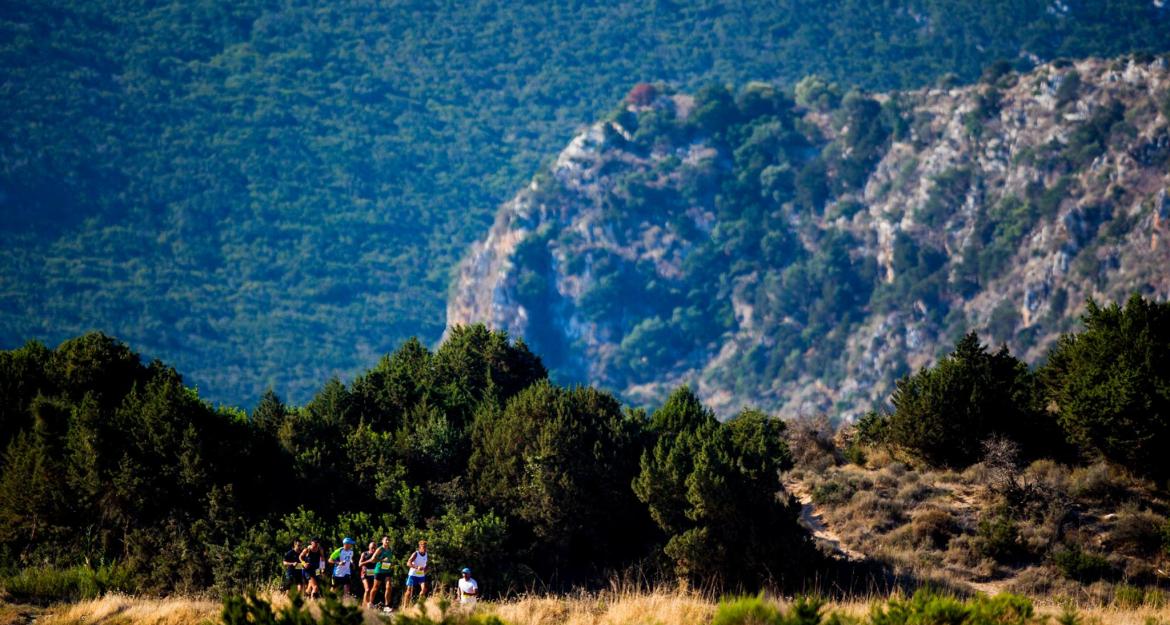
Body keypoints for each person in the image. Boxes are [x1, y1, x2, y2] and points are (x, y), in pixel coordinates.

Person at [401, 540, 429, 608]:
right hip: (413, 574)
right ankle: (405, 606)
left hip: (421, 575)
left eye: (426, 547)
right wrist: (417, 567)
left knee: (424, 589)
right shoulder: (416, 554)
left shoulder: (426, 554)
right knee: (409, 591)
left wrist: (426, 569)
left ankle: (418, 605)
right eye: (423, 547)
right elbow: (408, 563)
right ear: (420, 547)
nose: (425, 549)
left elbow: (426, 565)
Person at [371, 535, 395, 611]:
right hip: (379, 571)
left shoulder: (390, 549)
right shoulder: (380, 549)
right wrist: (382, 560)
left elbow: (389, 560)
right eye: (386, 540)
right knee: (376, 587)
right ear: (382, 541)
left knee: (389, 587)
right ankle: (370, 603)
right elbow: (372, 559)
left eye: (389, 540)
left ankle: (386, 606)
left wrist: (391, 564)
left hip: (387, 571)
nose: (388, 541)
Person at [359, 541, 378, 608]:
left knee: (372, 590)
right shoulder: (364, 554)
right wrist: (370, 560)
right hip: (364, 574)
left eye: (375, 548)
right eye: (372, 548)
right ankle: (363, 606)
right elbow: (360, 564)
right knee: (367, 589)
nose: (373, 549)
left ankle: (368, 605)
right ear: (369, 547)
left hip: (373, 574)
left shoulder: (377, 555)